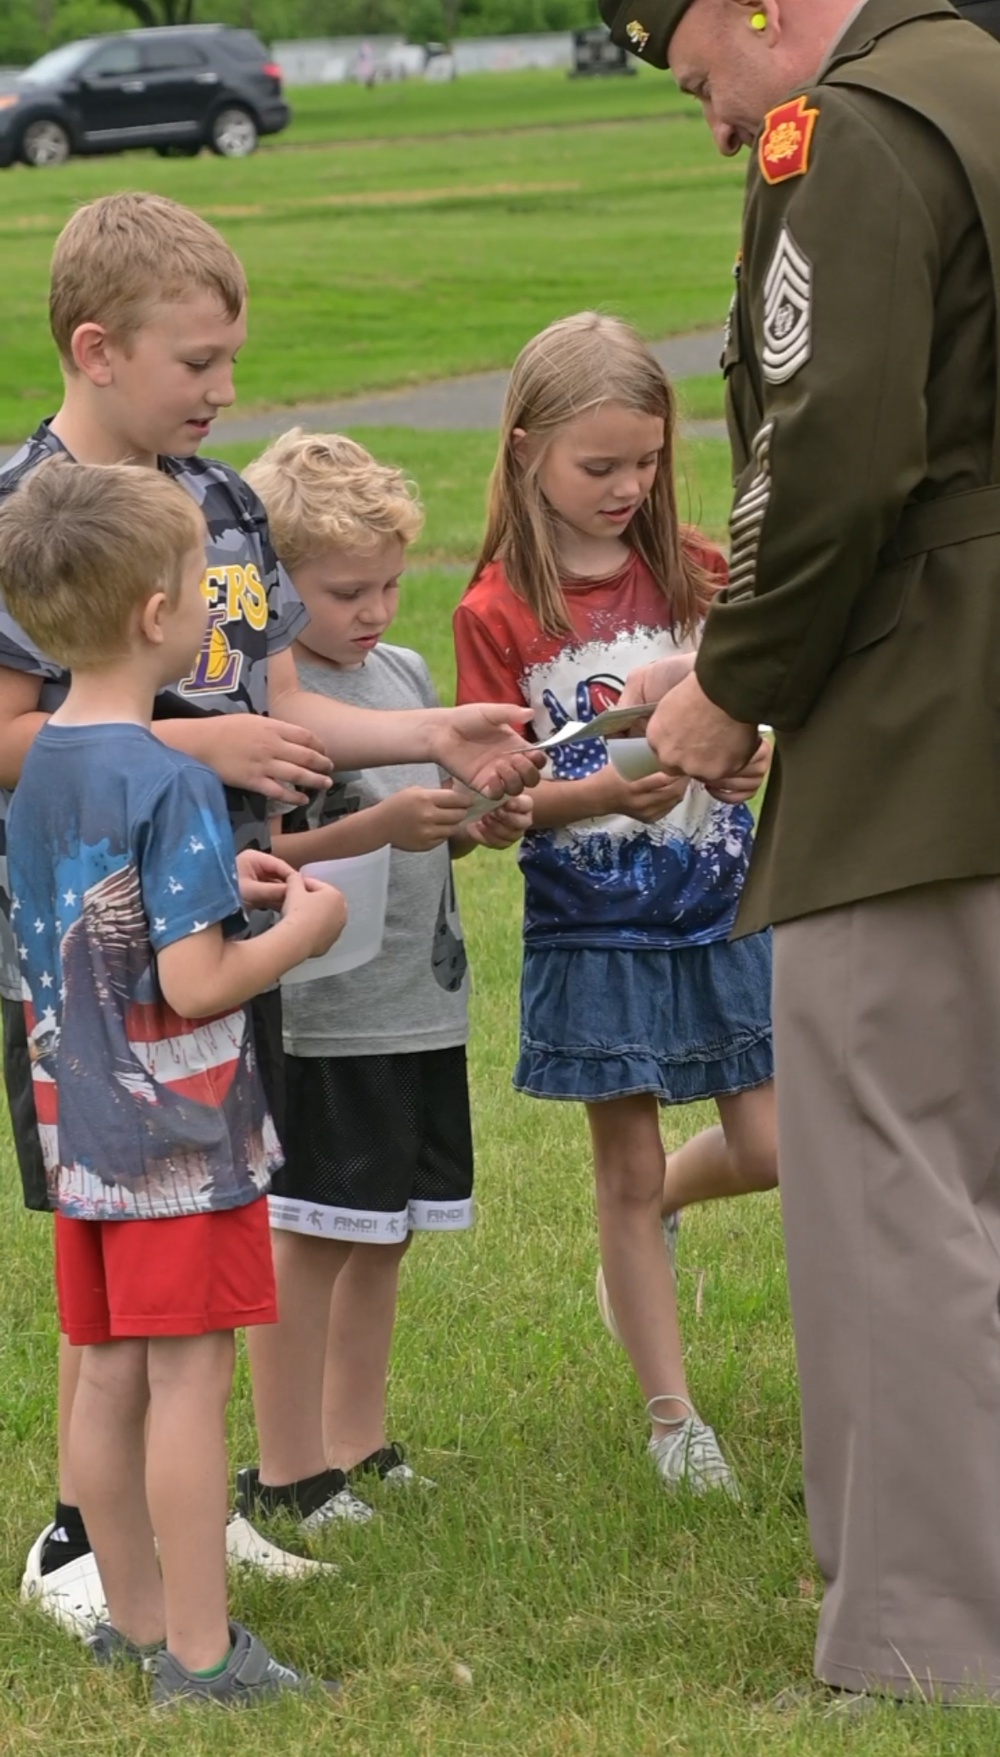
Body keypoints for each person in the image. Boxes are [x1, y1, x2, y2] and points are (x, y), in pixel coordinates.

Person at [0, 190, 540, 1634]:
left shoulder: (226, 505)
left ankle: (187, 1517)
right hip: (95, 977)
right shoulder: (31, 514)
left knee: (209, 1236)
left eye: (233, 361)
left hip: (228, 950)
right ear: (100, 349)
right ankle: (78, 1539)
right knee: (117, 1244)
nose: (224, 392)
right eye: (198, 364)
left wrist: (430, 736)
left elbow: (280, 700)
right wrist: (208, 750)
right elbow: (12, 733)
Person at [601, 0, 1000, 1706]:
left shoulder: (838, 130)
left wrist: (733, 681)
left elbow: (828, 451)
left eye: (696, 76)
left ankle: (922, 1643)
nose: (711, 122)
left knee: (889, 1193)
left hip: (926, 729)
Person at [0, 459, 347, 1704]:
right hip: (178, 1141)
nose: (217, 603)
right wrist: (299, 933)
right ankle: (204, 1655)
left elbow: (111, 921)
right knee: (190, 1381)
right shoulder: (174, 774)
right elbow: (197, 987)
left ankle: (136, 1624)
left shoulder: (44, 764)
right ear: (158, 615)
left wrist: (221, 893)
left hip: (76, 1130)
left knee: (104, 1370)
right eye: (206, 584)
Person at [452, 314, 776, 1498]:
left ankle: (682, 1200)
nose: (625, 487)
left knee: (778, 1145)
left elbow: (754, 704)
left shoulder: (697, 571)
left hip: (728, 902)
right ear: (527, 448)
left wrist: (743, 752)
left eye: (643, 461)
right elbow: (494, 804)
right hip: (596, 931)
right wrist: (591, 790)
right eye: (599, 466)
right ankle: (670, 1415)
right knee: (623, 1171)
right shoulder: (494, 613)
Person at [227, 430, 531, 1528]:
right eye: (345, 589)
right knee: (311, 1230)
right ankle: (288, 1462)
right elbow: (262, 859)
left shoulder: (401, 679)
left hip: (415, 1001)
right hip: (323, 1012)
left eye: (392, 582)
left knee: (385, 1225)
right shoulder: (264, 698)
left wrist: (471, 820)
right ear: (272, 587)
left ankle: (358, 1435)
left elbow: (424, 832)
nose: (375, 608)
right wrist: (384, 821)